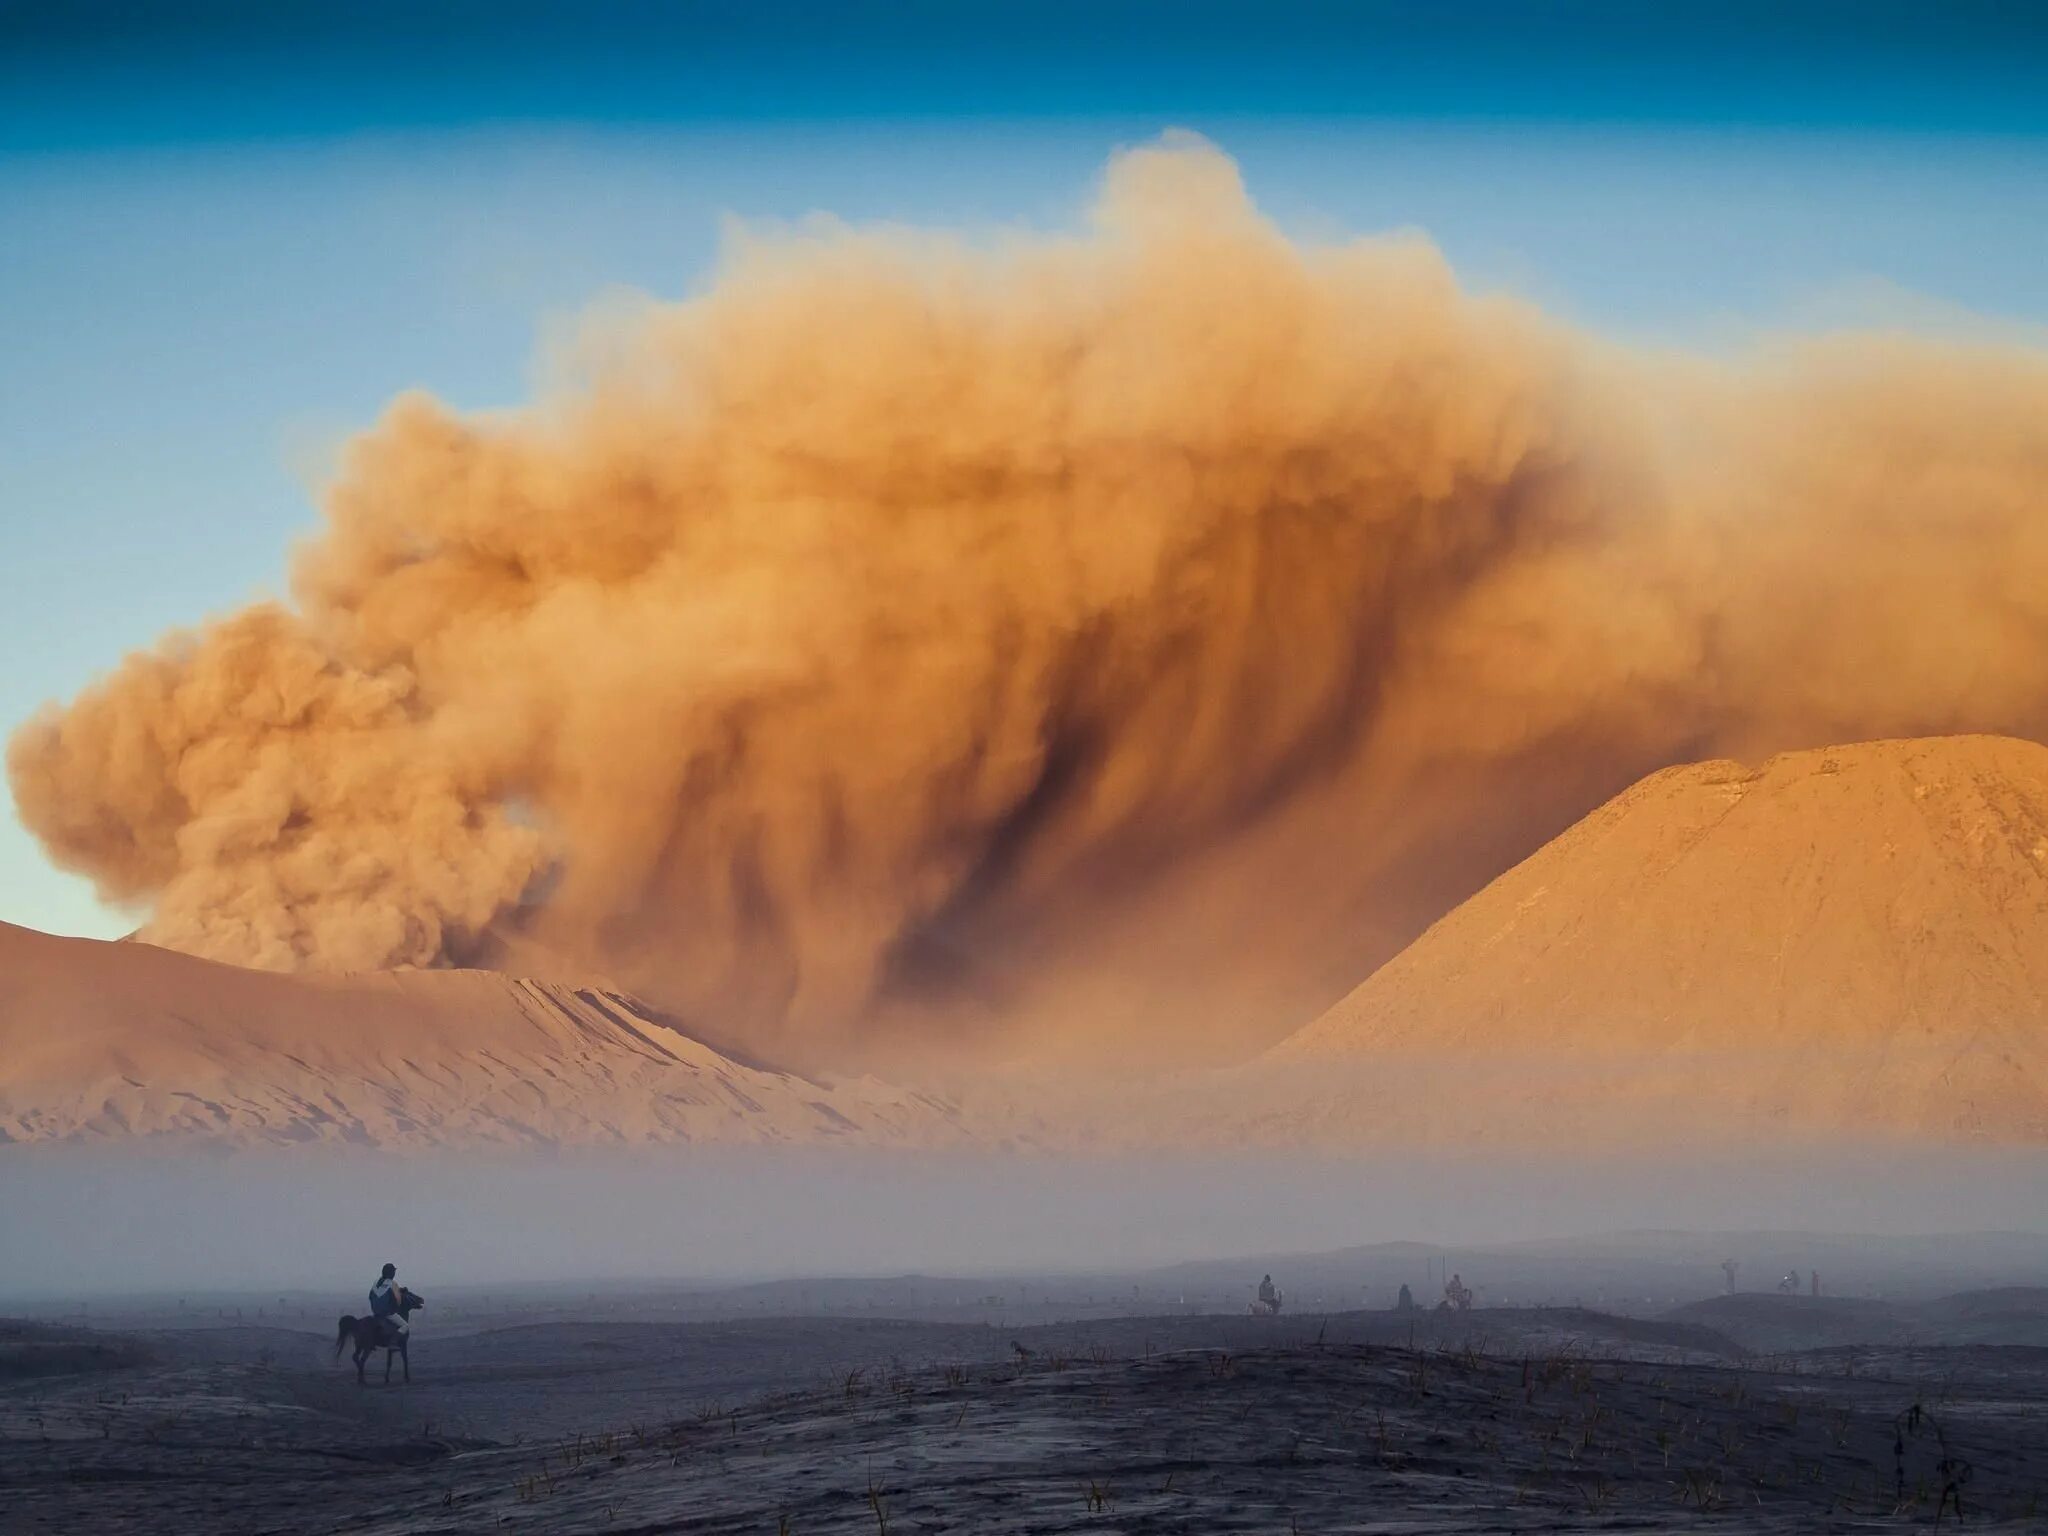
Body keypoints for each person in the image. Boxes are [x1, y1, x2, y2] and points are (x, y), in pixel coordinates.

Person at [369, 1262, 407, 1341]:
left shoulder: (375, 1282)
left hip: (375, 1313)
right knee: (405, 1326)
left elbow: (370, 1297)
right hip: (387, 1314)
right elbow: (398, 1301)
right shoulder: (392, 1284)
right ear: (392, 1273)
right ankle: (393, 1341)